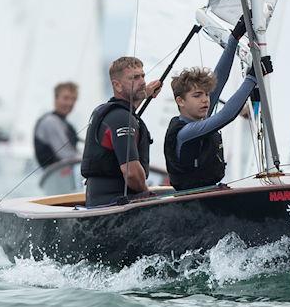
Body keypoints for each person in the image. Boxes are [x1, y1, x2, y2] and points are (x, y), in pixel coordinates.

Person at [164, 18, 266, 191]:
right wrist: (252, 77)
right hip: (193, 201)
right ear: (180, 101)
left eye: (206, 94)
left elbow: (218, 79)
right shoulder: (186, 132)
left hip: (210, 192)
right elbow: (226, 115)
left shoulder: (199, 115)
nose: (205, 100)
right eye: (197, 96)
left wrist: (234, 39)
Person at [81, 57, 162, 207]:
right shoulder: (122, 118)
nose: (142, 81)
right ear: (117, 85)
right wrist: (147, 193)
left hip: (102, 201)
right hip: (114, 204)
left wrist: (145, 93)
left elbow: (131, 101)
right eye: (134, 78)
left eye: (143, 76)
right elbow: (131, 173)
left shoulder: (114, 113)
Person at [33, 82, 80, 168]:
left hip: (64, 174)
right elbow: (67, 154)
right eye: (66, 98)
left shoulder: (67, 125)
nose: (70, 103)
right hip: (55, 175)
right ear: (56, 98)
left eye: (73, 99)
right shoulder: (50, 121)